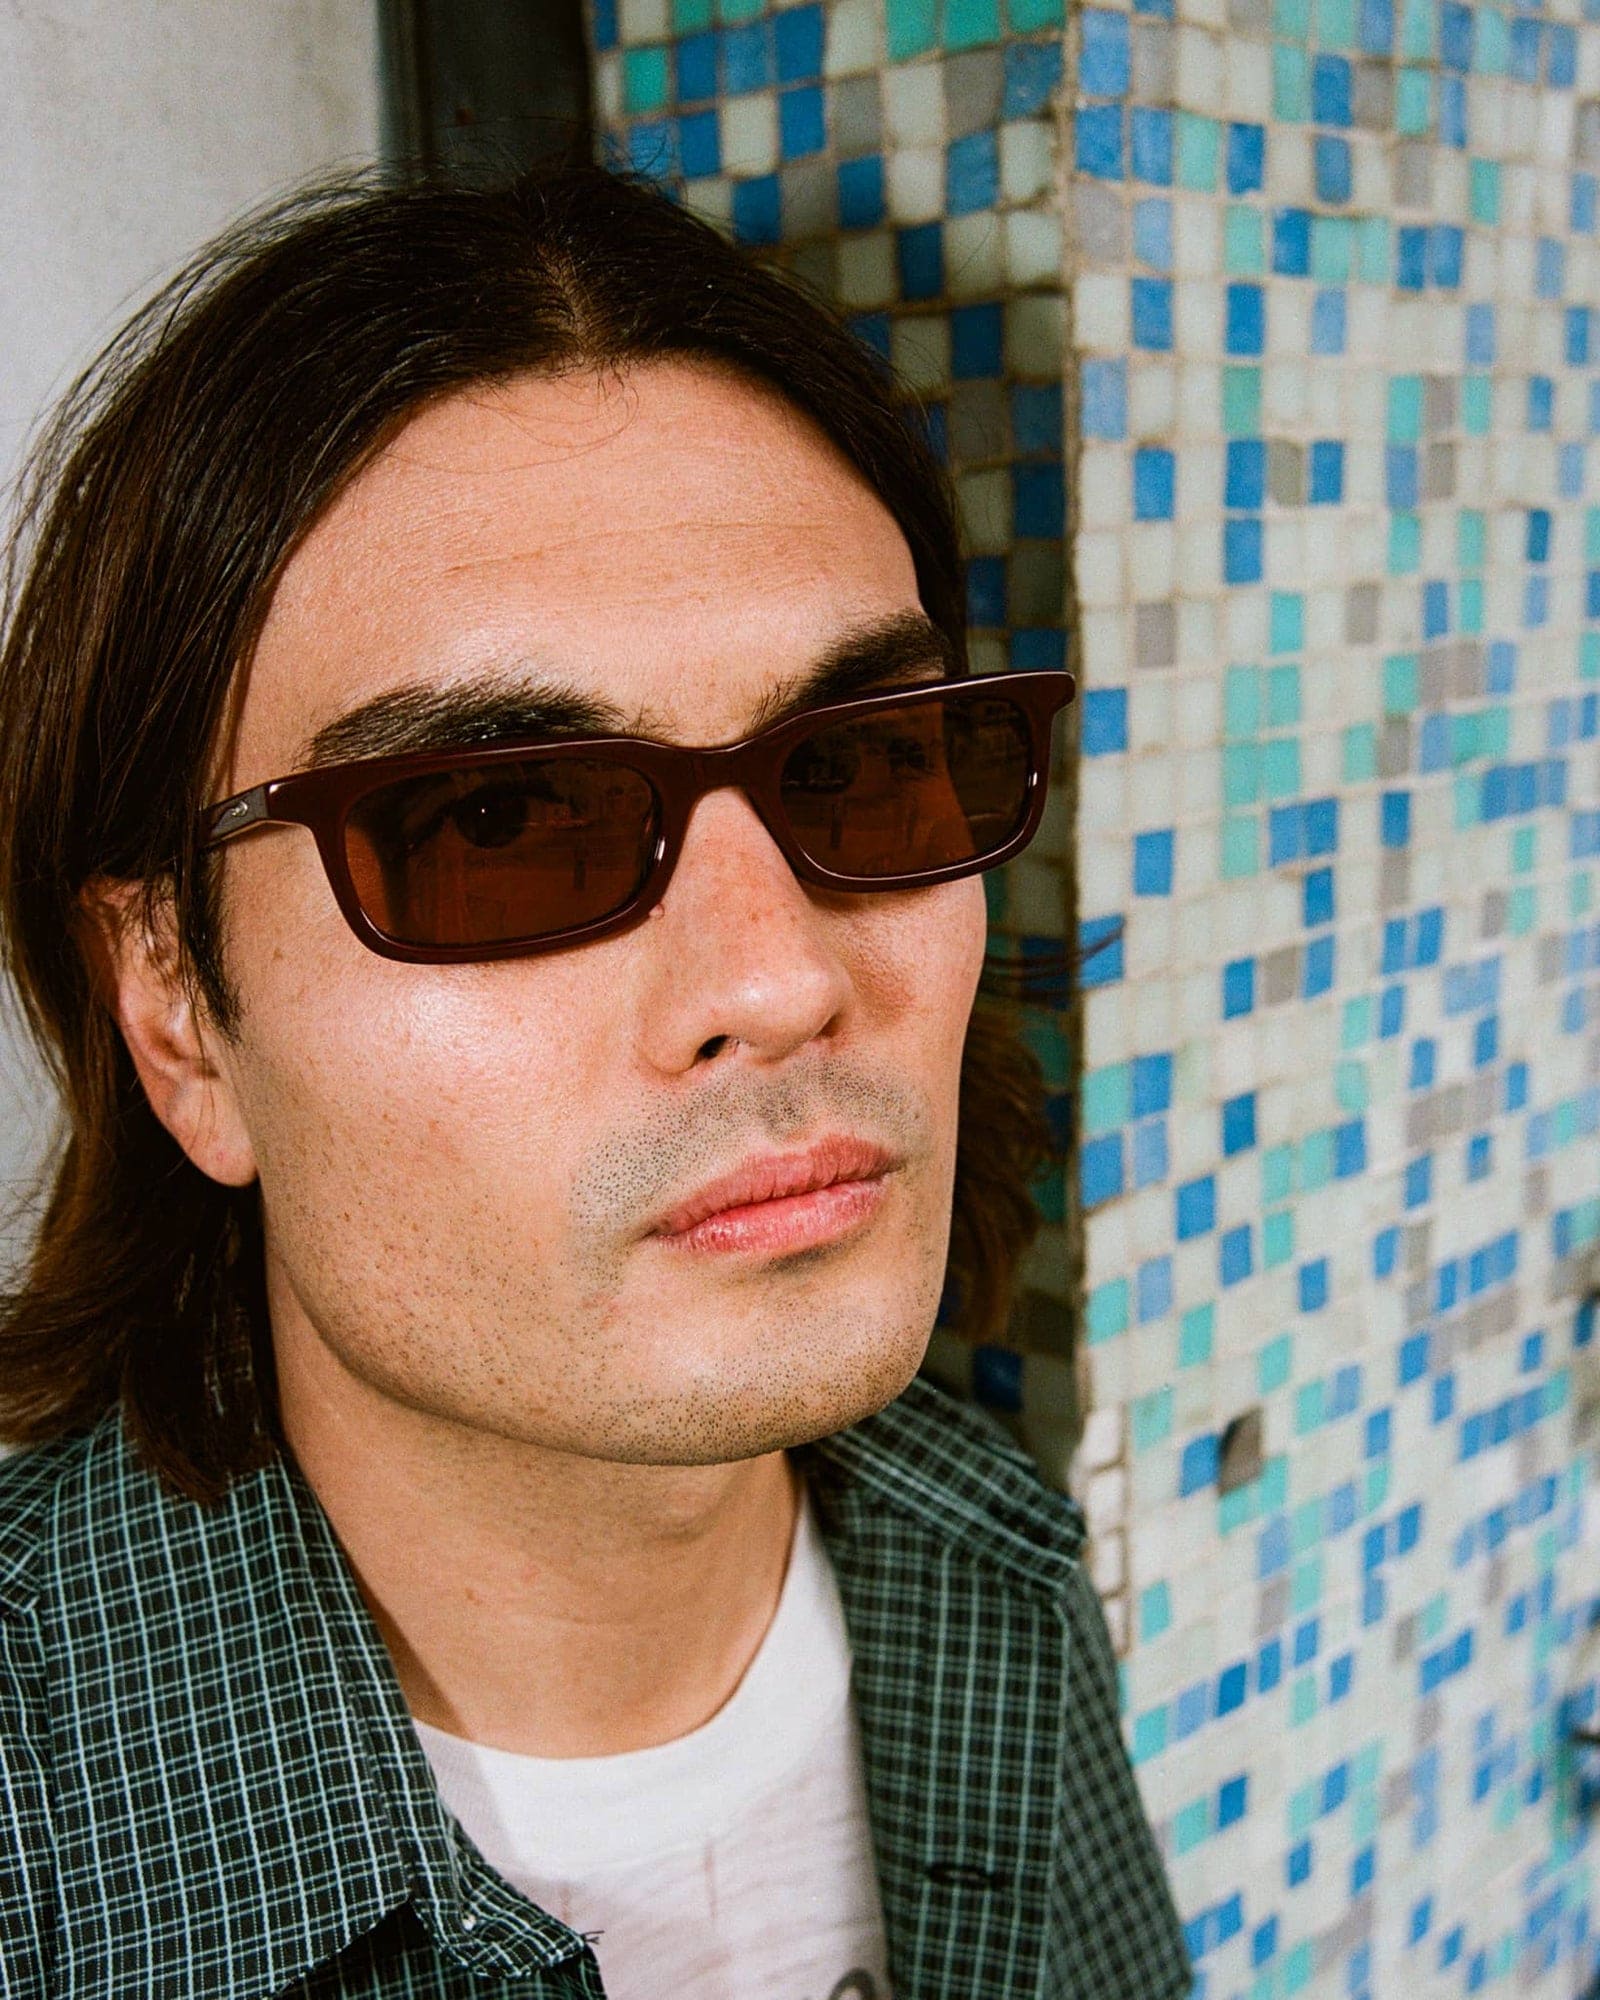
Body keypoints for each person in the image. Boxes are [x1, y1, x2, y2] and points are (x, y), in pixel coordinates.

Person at [0, 162, 1189, 1999]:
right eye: (497, 825)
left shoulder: (995, 1567)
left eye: (854, 766)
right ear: (175, 1008)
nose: (780, 978)